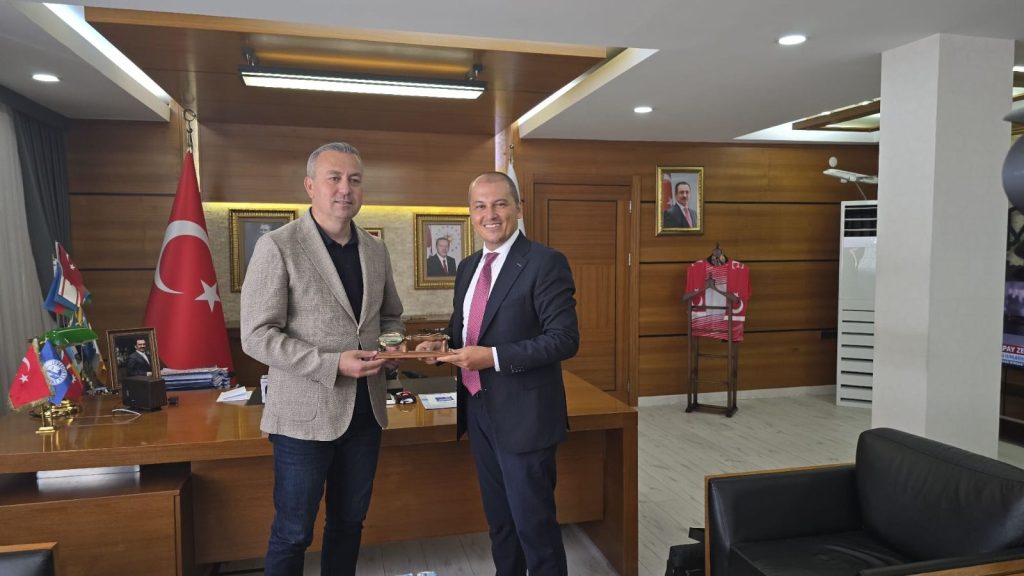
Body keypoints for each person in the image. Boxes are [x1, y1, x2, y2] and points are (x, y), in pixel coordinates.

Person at [240, 142, 404, 576]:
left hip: (366, 414)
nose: (345, 189)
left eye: (354, 179)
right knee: (293, 533)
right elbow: (256, 336)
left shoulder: (375, 250)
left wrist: (391, 345)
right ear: (310, 186)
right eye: (334, 178)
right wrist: (332, 364)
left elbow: (391, 317)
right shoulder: (278, 246)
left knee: (349, 524)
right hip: (303, 420)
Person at [417, 171, 579, 576]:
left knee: (534, 527)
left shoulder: (545, 262)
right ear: (471, 214)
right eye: (480, 206)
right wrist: (442, 345)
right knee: (501, 524)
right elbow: (464, 328)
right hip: (478, 409)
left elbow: (564, 339)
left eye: (500, 204)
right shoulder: (468, 266)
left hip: (525, 417)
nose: (490, 214)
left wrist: (491, 357)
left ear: (518, 209)